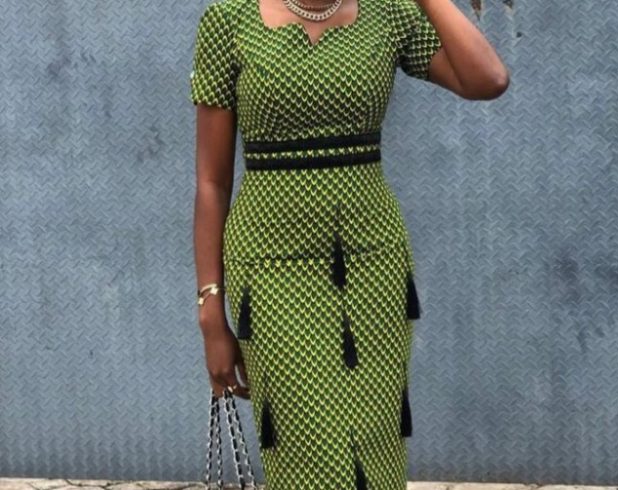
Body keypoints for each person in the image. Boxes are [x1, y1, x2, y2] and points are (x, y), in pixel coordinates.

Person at [190, 0, 508, 487]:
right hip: (271, 269)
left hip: (372, 264)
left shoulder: (389, 13)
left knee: (374, 441)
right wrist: (211, 309)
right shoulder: (230, 20)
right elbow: (212, 183)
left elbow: (487, 79)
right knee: (309, 446)